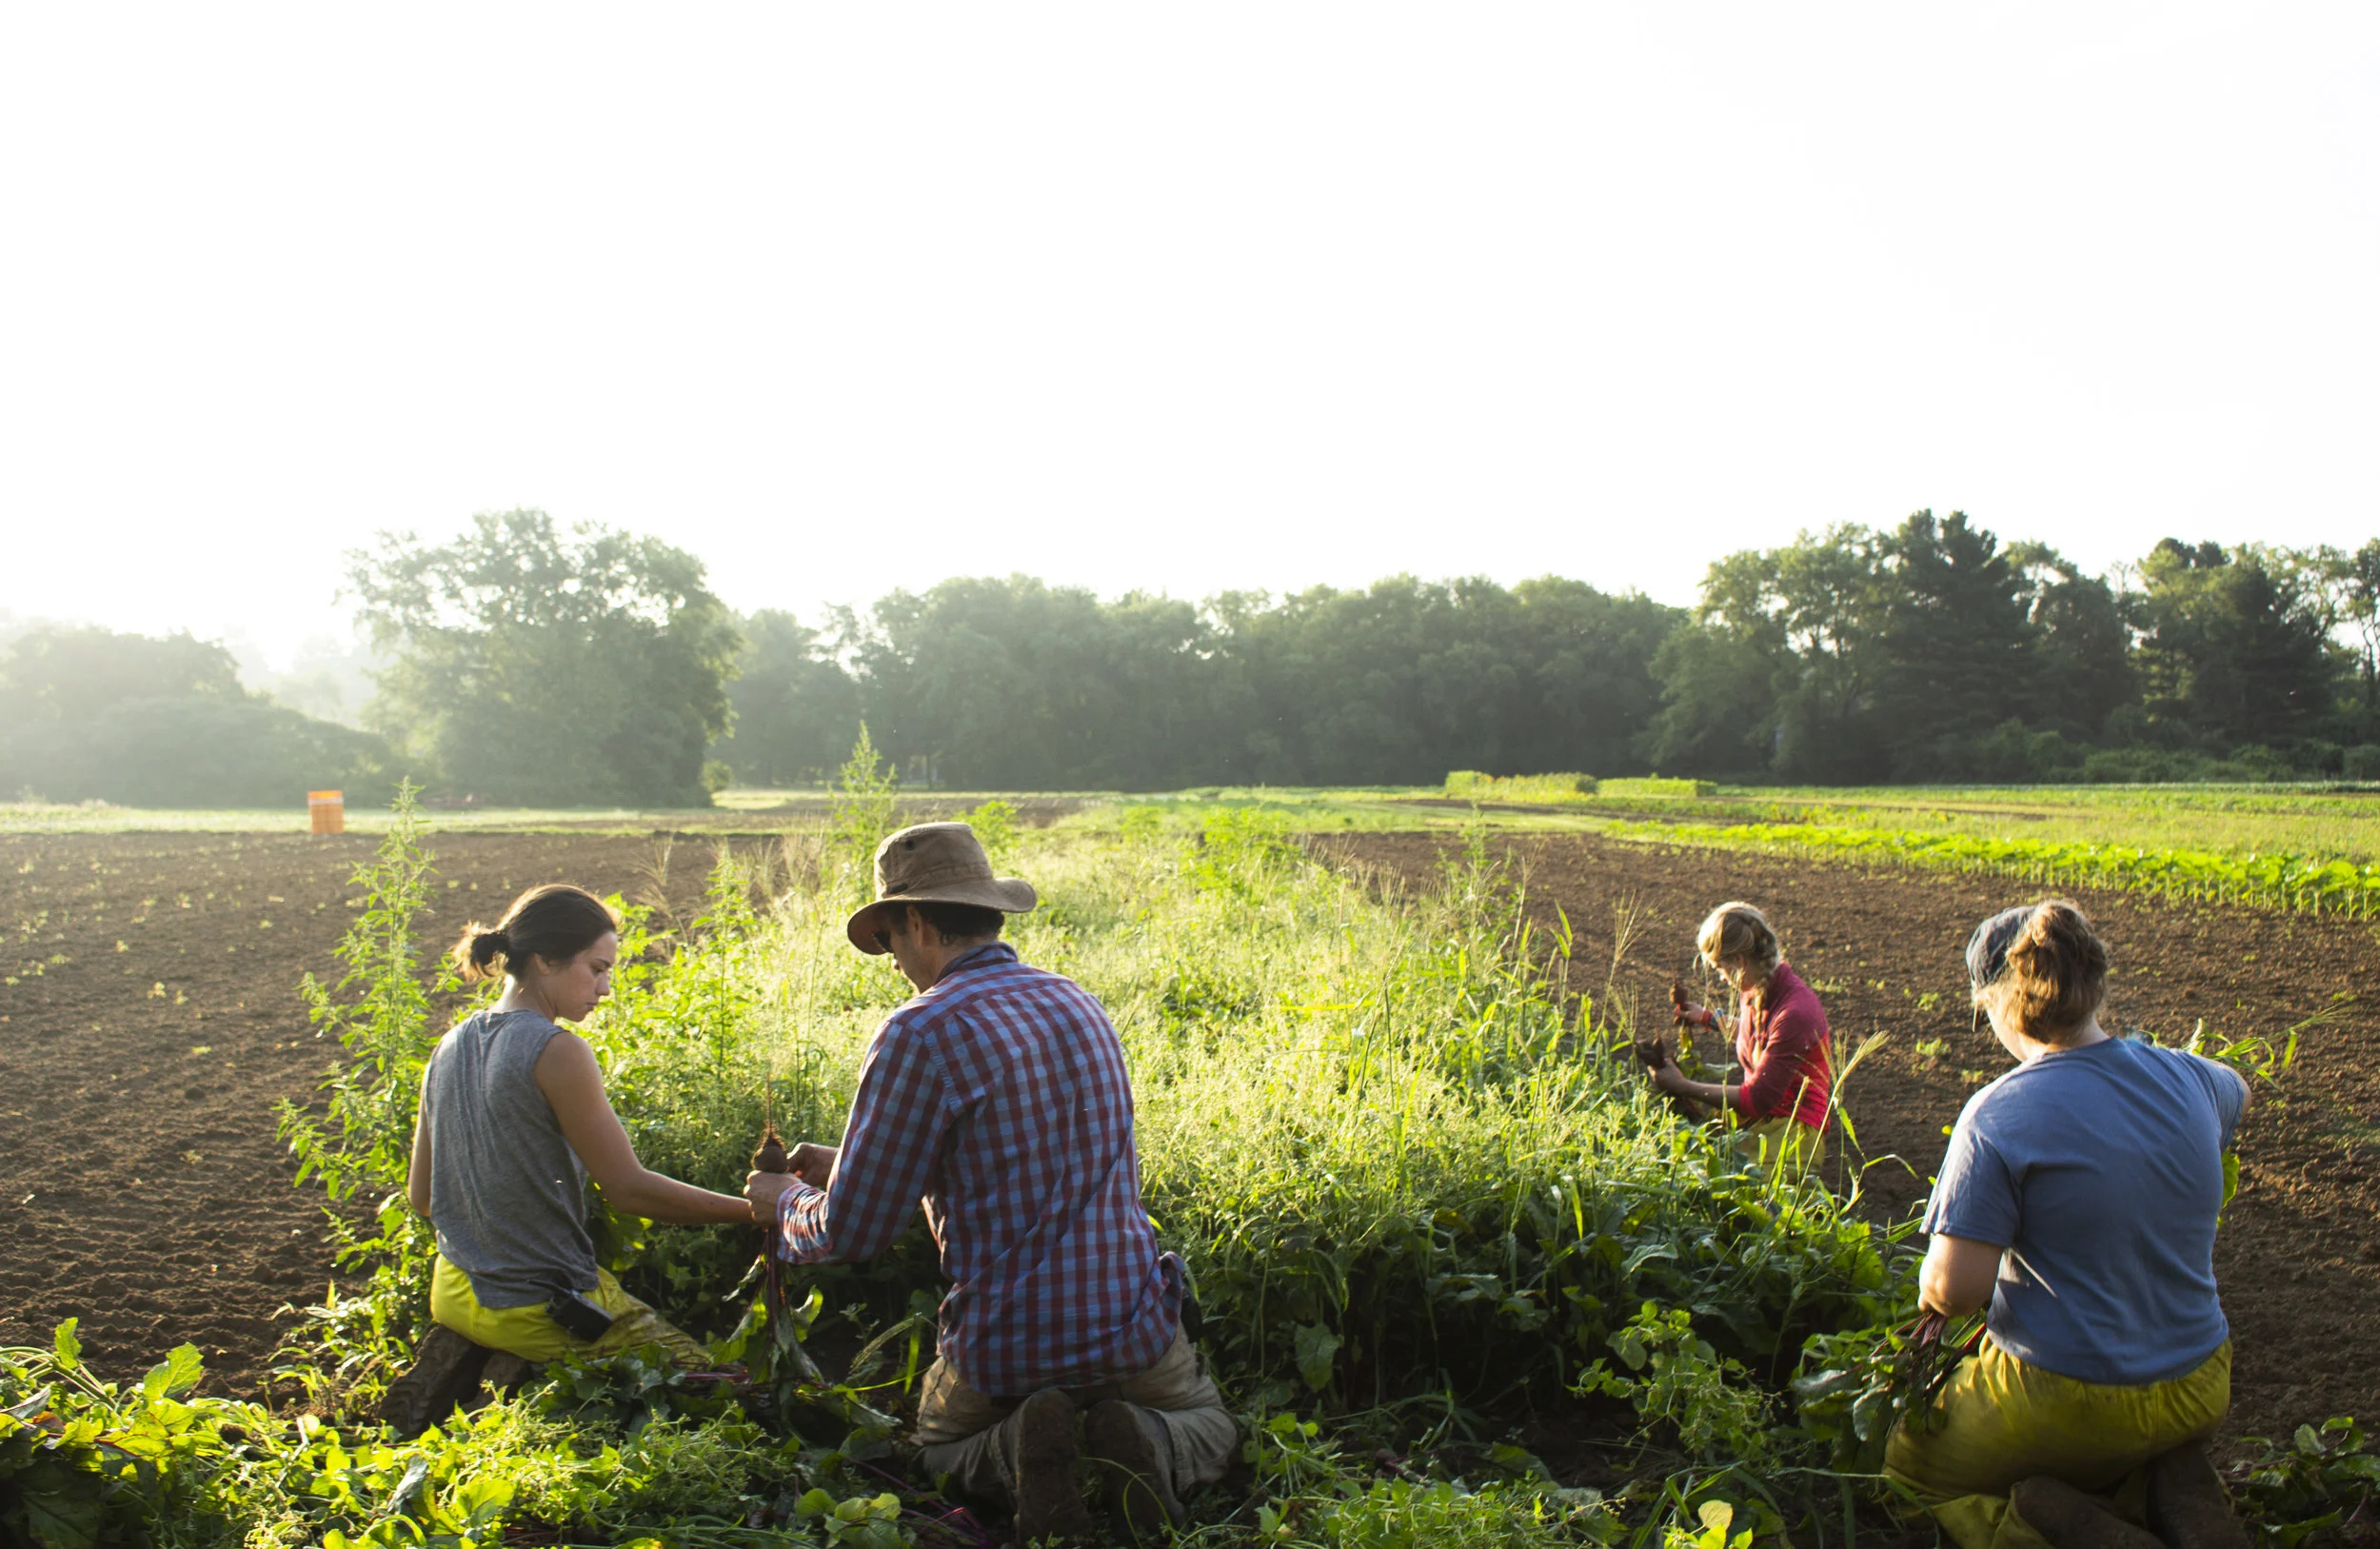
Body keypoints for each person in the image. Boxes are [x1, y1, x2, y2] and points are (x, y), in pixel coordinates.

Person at [743, 823, 1235, 1543]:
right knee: (1211, 1425)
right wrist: (850, 1159)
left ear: (915, 921)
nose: (893, 961)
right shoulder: (1078, 1003)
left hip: (1004, 1347)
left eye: (889, 940)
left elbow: (853, 1231)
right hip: (1131, 1326)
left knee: (936, 1446)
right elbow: (1016, 1153)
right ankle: (1151, 1443)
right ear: (987, 911)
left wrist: (784, 1202)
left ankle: (1010, 1450)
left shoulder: (917, 1030)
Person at [1885, 901, 2251, 1549]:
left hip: (2071, 1398)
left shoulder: (1996, 1114)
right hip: (2201, 1380)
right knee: (2128, 1440)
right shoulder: (2190, 1078)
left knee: (1907, 1470)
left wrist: (1929, 1288)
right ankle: (2162, 1482)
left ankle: (2059, 1528)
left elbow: (1957, 1292)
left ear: (2000, 1002)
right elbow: (2238, 1089)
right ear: (2093, 986)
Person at [406, 884, 756, 1367]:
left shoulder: (448, 1045)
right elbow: (631, 1192)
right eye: (597, 969)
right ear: (546, 960)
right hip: (537, 1309)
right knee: (714, 1386)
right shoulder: (557, 1050)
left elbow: (422, 1198)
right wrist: (759, 1212)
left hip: (453, 1292)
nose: (606, 988)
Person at [1645, 901, 1833, 1175]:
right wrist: (1708, 1018)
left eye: (1720, 968)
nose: (1721, 978)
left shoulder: (1795, 1012)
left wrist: (1682, 1085)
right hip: (1765, 1120)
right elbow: (1757, 1034)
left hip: (1792, 1133)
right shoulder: (1759, 986)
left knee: (1721, 1179)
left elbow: (1756, 1098)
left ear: (1739, 962)